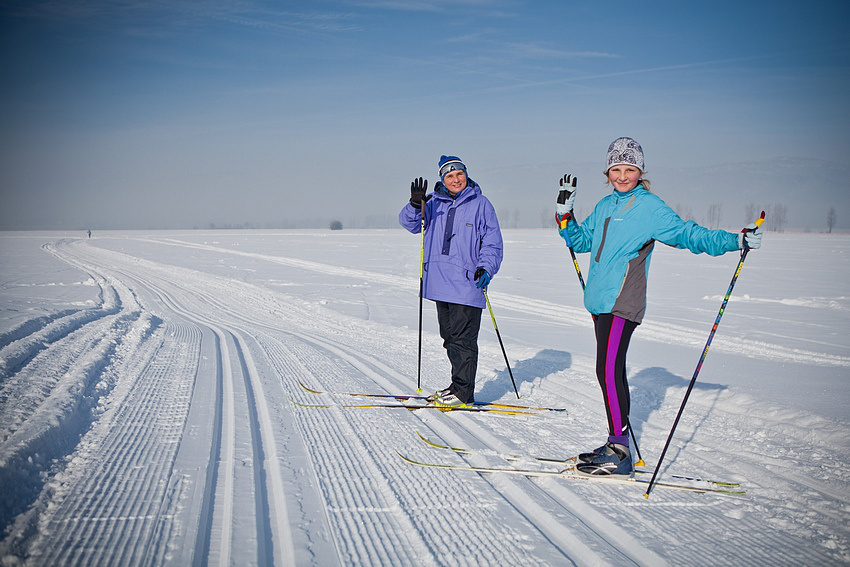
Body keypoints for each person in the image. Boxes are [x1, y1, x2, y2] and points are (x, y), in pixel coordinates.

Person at [556, 137, 763, 475]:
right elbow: (580, 242)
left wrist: (735, 240)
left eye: (630, 169)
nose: (623, 176)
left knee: (606, 371)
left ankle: (619, 452)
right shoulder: (605, 206)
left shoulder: (649, 207)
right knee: (611, 371)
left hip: (624, 302)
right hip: (599, 302)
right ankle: (616, 442)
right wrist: (565, 216)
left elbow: (688, 234)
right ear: (607, 172)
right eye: (616, 169)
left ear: (640, 171)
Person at [399, 155, 504, 407]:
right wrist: (415, 204)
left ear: (466, 174)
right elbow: (409, 224)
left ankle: (464, 393)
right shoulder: (433, 202)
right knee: (449, 337)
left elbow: (492, 242)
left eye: (459, 174)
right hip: (439, 282)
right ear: (442, 180)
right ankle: (457, 385)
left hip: (467, 283)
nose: (456, 179)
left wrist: (486, 268)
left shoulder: (481, 204)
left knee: (464, 340)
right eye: (449, 176)